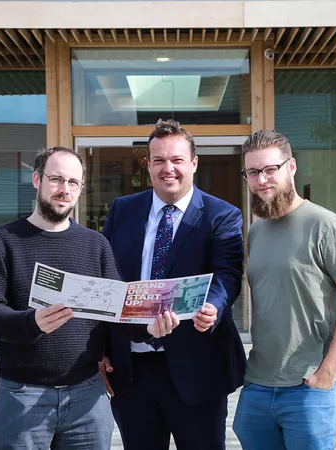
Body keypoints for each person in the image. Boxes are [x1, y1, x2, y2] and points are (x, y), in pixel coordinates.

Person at [101, 119, 246, 450]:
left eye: (177, 160)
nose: (169, 169)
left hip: (196, 368)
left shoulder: (221, 215)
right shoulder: (122, 210)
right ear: (148, 164)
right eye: (159, 160)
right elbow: (106, 280)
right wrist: (101, 351)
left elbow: (227, 274)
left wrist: (213, 306)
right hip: (131, 370)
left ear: (194, 163)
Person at [232, 130, 336, 450]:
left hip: (307, 387)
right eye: (252, 172)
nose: (261, 179)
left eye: (270, 169)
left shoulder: (325, 224)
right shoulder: (257, 230)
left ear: (290, 167)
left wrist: (328, 372)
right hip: (257, 385)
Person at [0, 146, 119, 449]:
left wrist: (151, 321)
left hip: (88, 397)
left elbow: (115, 313)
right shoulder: (3, 241)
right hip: (22, 397)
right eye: (56, 179)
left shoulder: (96, 245)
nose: (64, 190)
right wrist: (32, 321)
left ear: (80, 189)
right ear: (36, 179)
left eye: (73, 183)